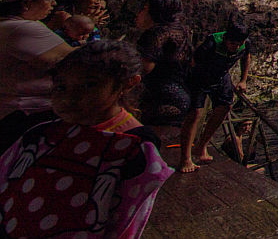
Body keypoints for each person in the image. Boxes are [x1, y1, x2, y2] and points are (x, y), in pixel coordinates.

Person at [0, 39, 172, 238]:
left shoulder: (135, 147)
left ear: (128, 83)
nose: (69, 98)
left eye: (90, 85)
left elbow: (127, 218)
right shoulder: (41, 133)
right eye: (61, 86)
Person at [0, 0, 74, 150]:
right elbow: (76, 60)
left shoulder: (6, 26)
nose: (54, 4)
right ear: (26, 3)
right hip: (28, 117)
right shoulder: (24, 28)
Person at [179, 21, 251, 173]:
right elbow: (193, 63)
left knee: (225, 107)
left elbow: (246, 57)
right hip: (200, 76)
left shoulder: (245, 44)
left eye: (239, 44)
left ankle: (201, 146)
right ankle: (186, 158)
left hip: (221, 75)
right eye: (232, 43)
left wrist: (243, 80)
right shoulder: (211, 43)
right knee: (196, 114)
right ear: (225, 38)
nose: (236, 47)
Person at [136, 0, 192, 127]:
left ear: (154, 13)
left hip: (160, 98)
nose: (140, 13)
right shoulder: (180, 30)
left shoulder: (155, 33)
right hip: (181, 95)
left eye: (144, 9)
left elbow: (145, 67)